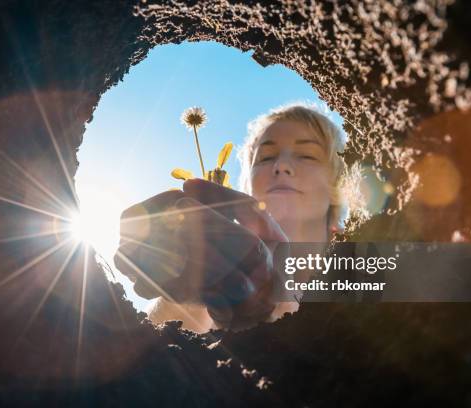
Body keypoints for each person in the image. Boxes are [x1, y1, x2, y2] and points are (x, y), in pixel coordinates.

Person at [114, 103, 347, 333]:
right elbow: (148, 354)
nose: (281, 165)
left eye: (307, 155)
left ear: (338, 184)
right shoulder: (221, 273)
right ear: (246, 185)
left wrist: (280, 302)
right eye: (265, 157)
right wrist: (183, 281)